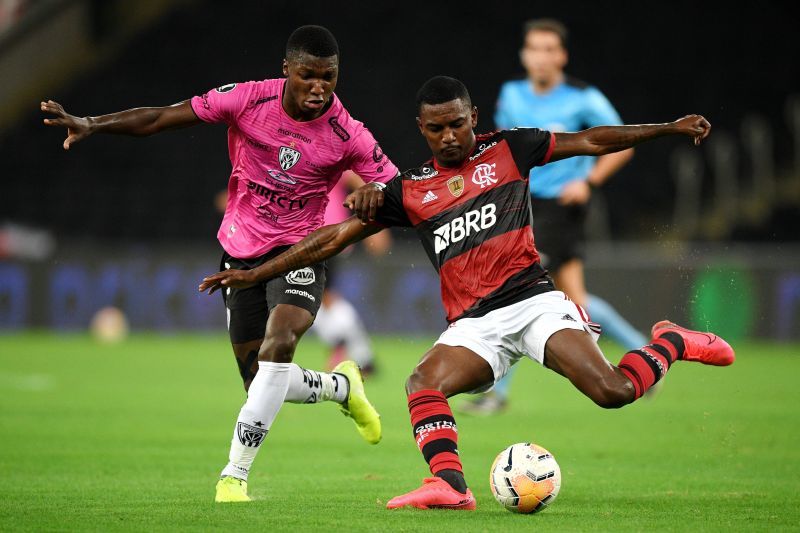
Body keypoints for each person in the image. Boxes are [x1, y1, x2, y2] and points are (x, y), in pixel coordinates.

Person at [198, 76, 734, 511]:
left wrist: (666, 128)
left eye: (458, 123)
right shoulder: (408, 190)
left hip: (533, 304)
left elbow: (590, 140)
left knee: (613, 392)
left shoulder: (512, 148)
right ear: (422, 130)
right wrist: (259, 270)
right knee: (421, 383)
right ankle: (451, 485)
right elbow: (335, 236)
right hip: (474, 325)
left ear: (473, 117)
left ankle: (672, 341)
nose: (450, 136)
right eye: (437, 129)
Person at [41, 25, 398, 503]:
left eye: (328, 78)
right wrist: (93, 123)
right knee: (260, 382)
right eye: (308, 76)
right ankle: (340, 387)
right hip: (240, 249)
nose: (318, 88)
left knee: (281, 340)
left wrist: (380, 194)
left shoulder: (347, 133)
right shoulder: (248, 100)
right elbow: (162, 118)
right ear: (286, 69)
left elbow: (400, 190)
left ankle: (234, 475)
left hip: (299, 252)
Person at [461, 18, 646, 415]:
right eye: (534, 49)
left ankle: (498, 394)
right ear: (524, 55)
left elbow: (623, 143)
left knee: (514, 287)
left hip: (563, 207)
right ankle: (645, 355)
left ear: (561, 56)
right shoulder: (511, 93)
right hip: (522, 204)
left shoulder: (583, 97)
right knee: (575, 299)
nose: (541, 57)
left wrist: (589, 183)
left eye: (549, 49)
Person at [313, 170, 391, 374]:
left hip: (324, 236)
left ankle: (341, 342)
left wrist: (375, 221)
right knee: (322, 298)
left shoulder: (328, 154)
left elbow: (361, 183)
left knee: (320, 297)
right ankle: (361, 356)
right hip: (322, 237)